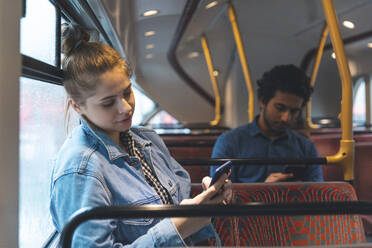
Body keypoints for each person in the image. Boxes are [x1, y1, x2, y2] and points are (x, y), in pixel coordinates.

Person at [50, 23, 232, 247]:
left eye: (127, 92)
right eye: (108, 103)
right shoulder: (80, 170)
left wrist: (205, 195)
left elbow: (172, 198)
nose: (126, 108)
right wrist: (179, 227)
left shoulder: (147, 139)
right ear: (77, 107)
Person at [210, 64, 323, 183]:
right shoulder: (229, 142)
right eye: (280, 108)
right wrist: (265, 191)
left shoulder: (306, 148)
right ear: (263, 101)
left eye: (294, 111)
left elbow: (318, 194)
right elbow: (220, 196)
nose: (286, 118)